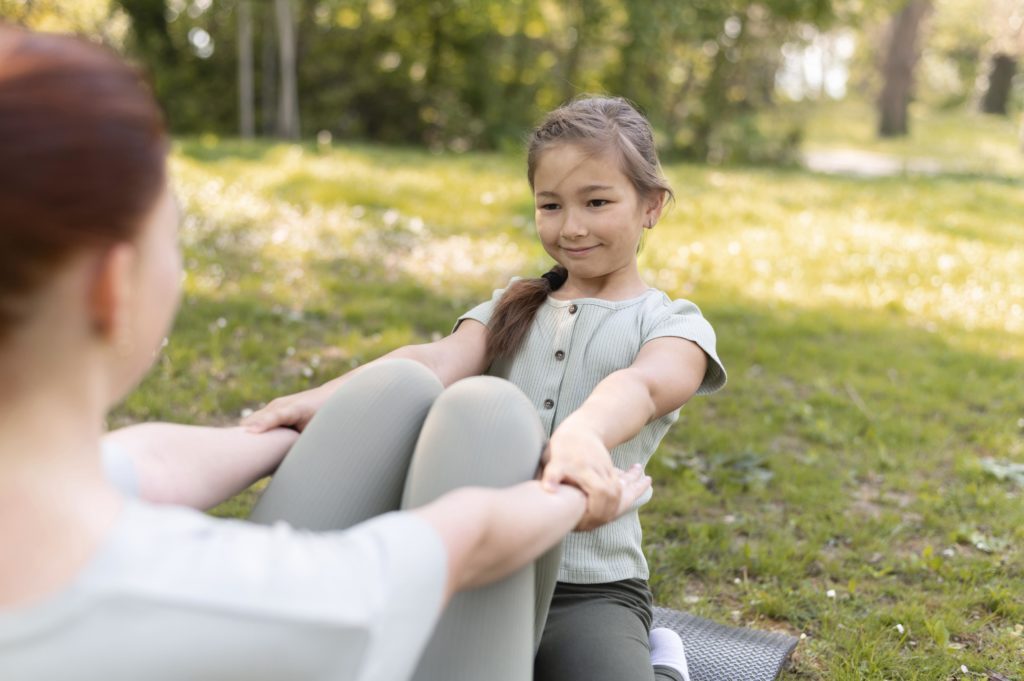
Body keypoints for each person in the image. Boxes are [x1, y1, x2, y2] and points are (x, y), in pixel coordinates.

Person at [0, 27, 653, 681]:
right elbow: (457, 544)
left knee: (395, 390)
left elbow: (150, 461)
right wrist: (577, 495)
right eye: (171, 236)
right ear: (110, 288)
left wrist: (288, 428)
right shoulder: (237, 594)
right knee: (489, 412)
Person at [245, 96, 727, 681]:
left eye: (596, 202)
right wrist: (322, 398)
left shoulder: (672, 324)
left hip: (589, 590)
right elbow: (435, 360)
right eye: (550, 205)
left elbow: (644, 387)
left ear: (651, 206)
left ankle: (664, 664)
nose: (570, 226)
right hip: (479, 560)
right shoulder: (512, 306)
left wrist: (582, 435)